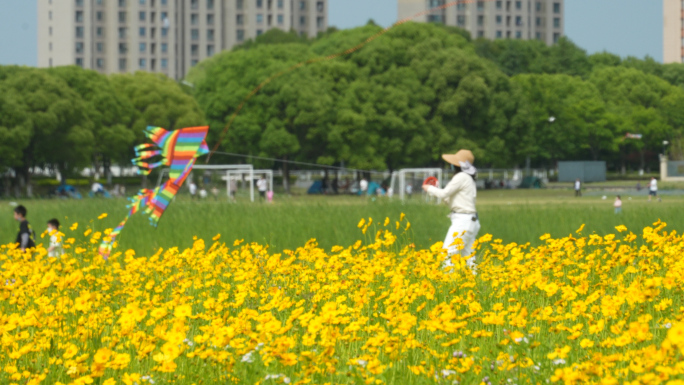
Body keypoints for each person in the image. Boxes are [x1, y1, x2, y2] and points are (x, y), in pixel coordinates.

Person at [423, 149, 480, 273]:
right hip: (471, 221)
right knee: (468, 256)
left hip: (463, 221)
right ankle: (479, 284)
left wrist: (429, 188)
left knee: (447, 252)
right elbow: (451, 200)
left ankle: (447, 282)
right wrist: (437, 191)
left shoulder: (461, 177)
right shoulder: (468, 179)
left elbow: (444, 194)